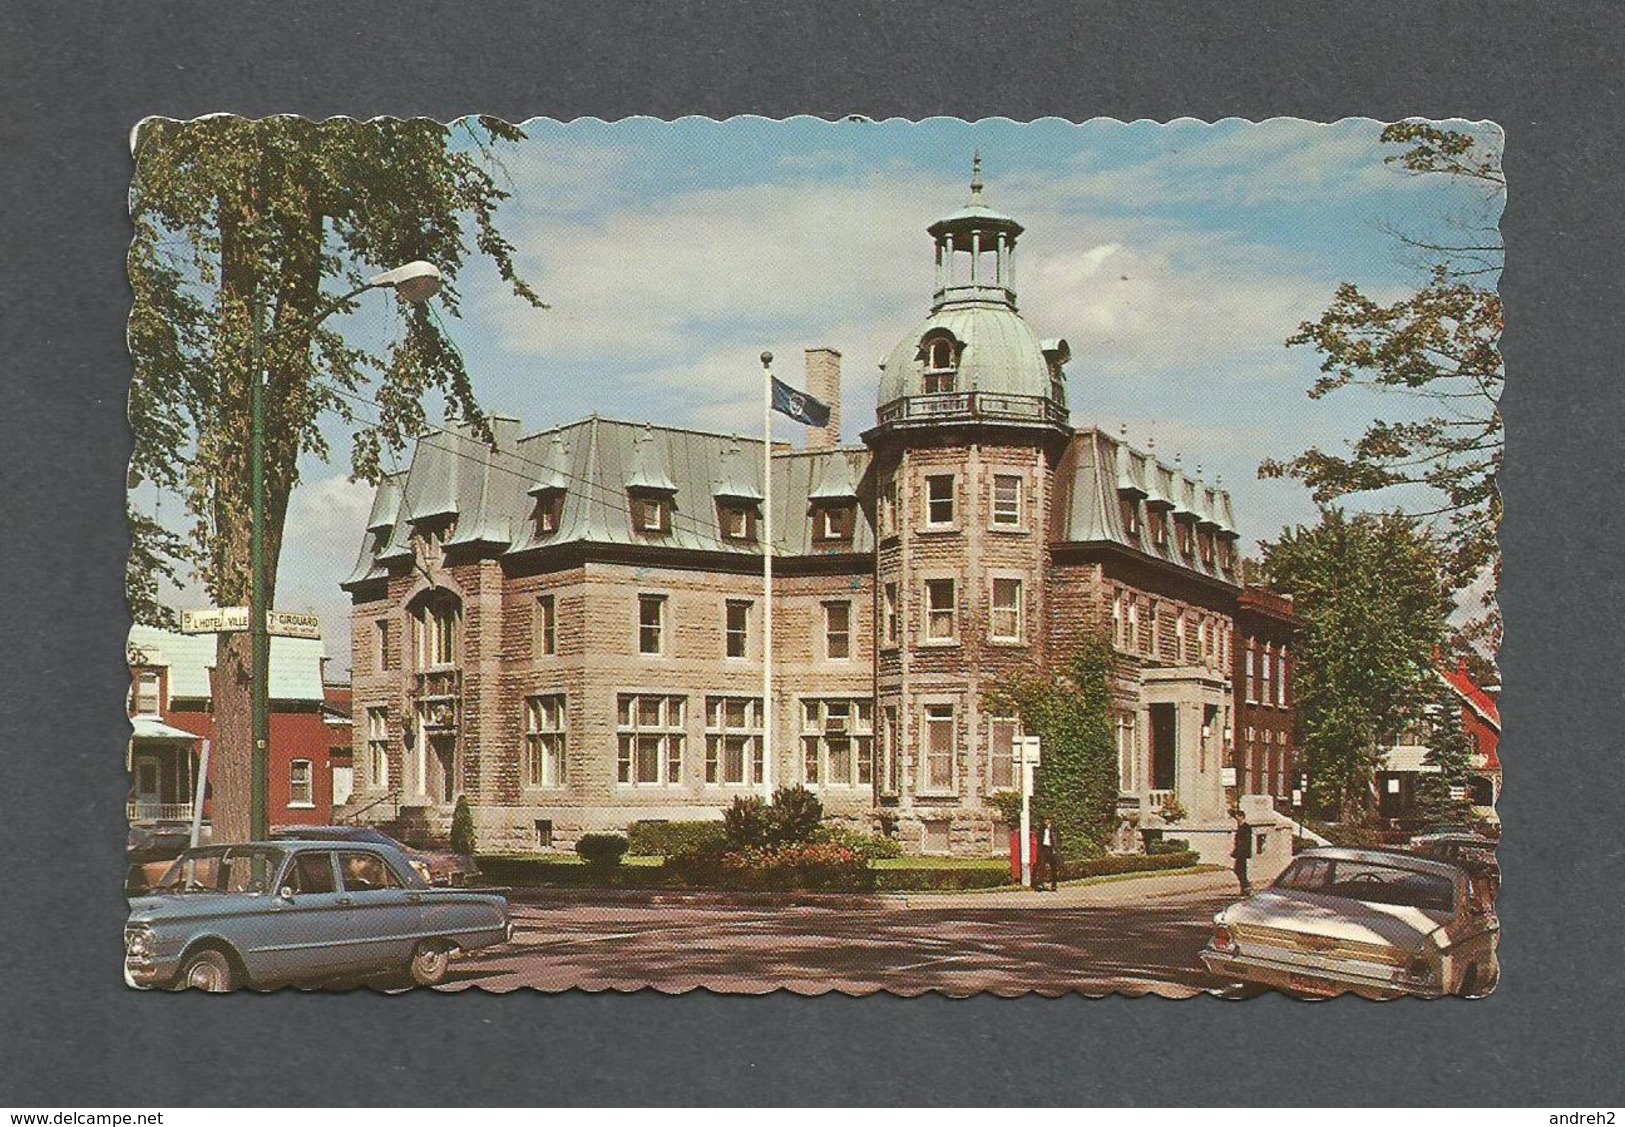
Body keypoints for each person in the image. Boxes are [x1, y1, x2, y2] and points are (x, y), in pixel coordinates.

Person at [1231, 808, 1253, 895]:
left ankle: (1246, 886)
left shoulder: (1246, 827)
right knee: (1238, 870)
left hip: (1242, 852)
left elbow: (1246, 841)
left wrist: (1241, 851)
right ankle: (1244, 887)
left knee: (1240, 870)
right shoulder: (1240, 827)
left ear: (1242, 817)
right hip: (1239, 852)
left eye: (1238, 818)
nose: (1237, 820)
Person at [1038, 817, 1060, 892]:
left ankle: (1054, 885)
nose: (1046, 822)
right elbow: (1039, 838)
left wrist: (1056, 849)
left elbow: (1057, 839)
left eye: (1047, 820)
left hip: (1051, 849)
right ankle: (1041, 884)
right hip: (1044, 848)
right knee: (1041, 866)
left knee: (1053, 867)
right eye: (1045, 820)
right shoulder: (1042, 829)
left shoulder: (1054, 829)